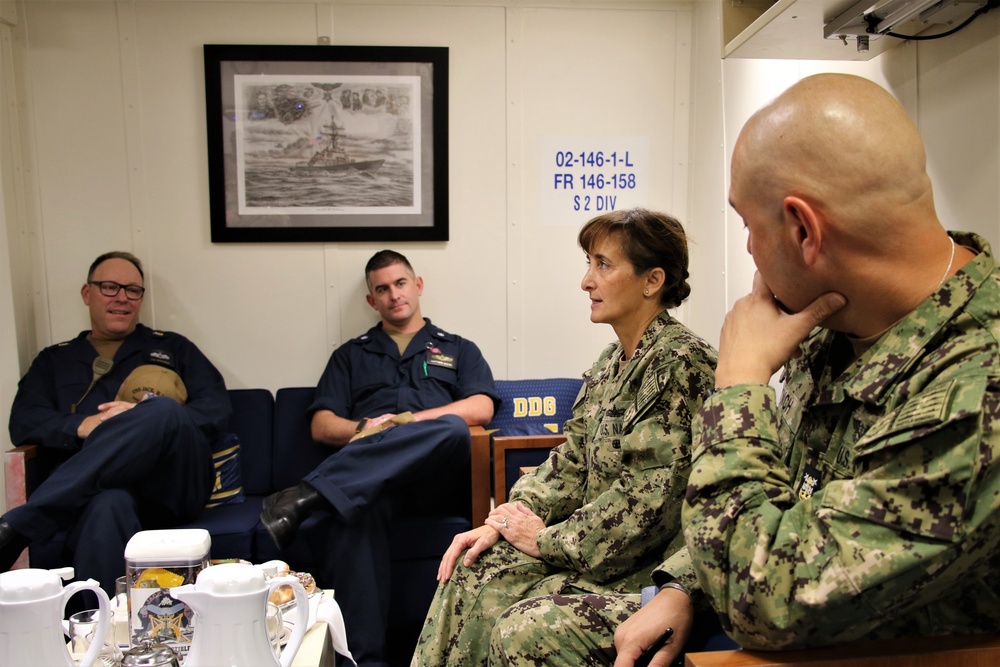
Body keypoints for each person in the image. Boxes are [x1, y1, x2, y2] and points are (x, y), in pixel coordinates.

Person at [490, 73, 1000, 666]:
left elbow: (767, 601)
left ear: (804, 230)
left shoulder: (978, 385)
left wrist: (739, 385)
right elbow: (782, 485)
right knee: (532, 627)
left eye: (749, 226)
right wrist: (681, 585)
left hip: (853, 642)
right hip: (750, 585)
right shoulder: (830, 324)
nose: (751, 250)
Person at [412, 208, 718, 666]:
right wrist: (510, 519)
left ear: (652, 281)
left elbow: (646, 506)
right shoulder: (612, 361)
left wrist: (547, 540)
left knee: (521, 627)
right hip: (598, 557)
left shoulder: (681, 364)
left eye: (603, 265)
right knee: (472, 570)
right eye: (588, 264)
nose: (586, 281)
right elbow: (571, 459)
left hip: (649, 574)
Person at [259, 249, 499, 667]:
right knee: (354, 517)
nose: (393, 295)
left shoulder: (458, 348)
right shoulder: (352, 355)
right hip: (372, 485)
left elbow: (480, 407)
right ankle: (363, 660)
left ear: (418, 285)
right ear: (372, 300)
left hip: (434, 479)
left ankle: (307, 494)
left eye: (400, 283)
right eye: (382, 289)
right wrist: (365, 430)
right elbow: (322, 424)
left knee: (450, 428)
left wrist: (404, 422)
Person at [0, 251, 231, 605]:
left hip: (171, 486)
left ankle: (21, 526)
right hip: (94, 497)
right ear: (86, 293)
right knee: (108, 505)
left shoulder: (173, 347)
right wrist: (82, 425)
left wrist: (144, 417)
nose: (122, 297)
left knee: (163, 410)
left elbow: (217, 410)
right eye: (109, 287)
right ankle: (107, 640)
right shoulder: (54, 360)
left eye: (133, 290)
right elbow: (24, 421)